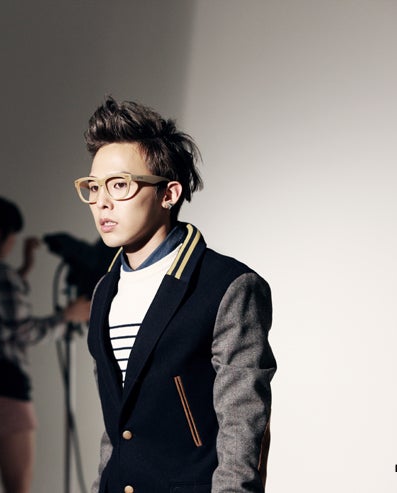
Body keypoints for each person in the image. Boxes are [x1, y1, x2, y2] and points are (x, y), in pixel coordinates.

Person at [75, 97, 277, 493]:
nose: (102, 201)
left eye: (119, 184)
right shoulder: (105, 290)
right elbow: (116, 429)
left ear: (168, 194)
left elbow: (243, 423)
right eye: (93, 187)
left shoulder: (226, 285)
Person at [0, 194, 90, 493]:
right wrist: (68, 316)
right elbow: (25, 332)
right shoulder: (0, 276)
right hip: (1, 390)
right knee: (18, 487)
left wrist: (24, 268)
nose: (12, 243)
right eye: (12, 236)